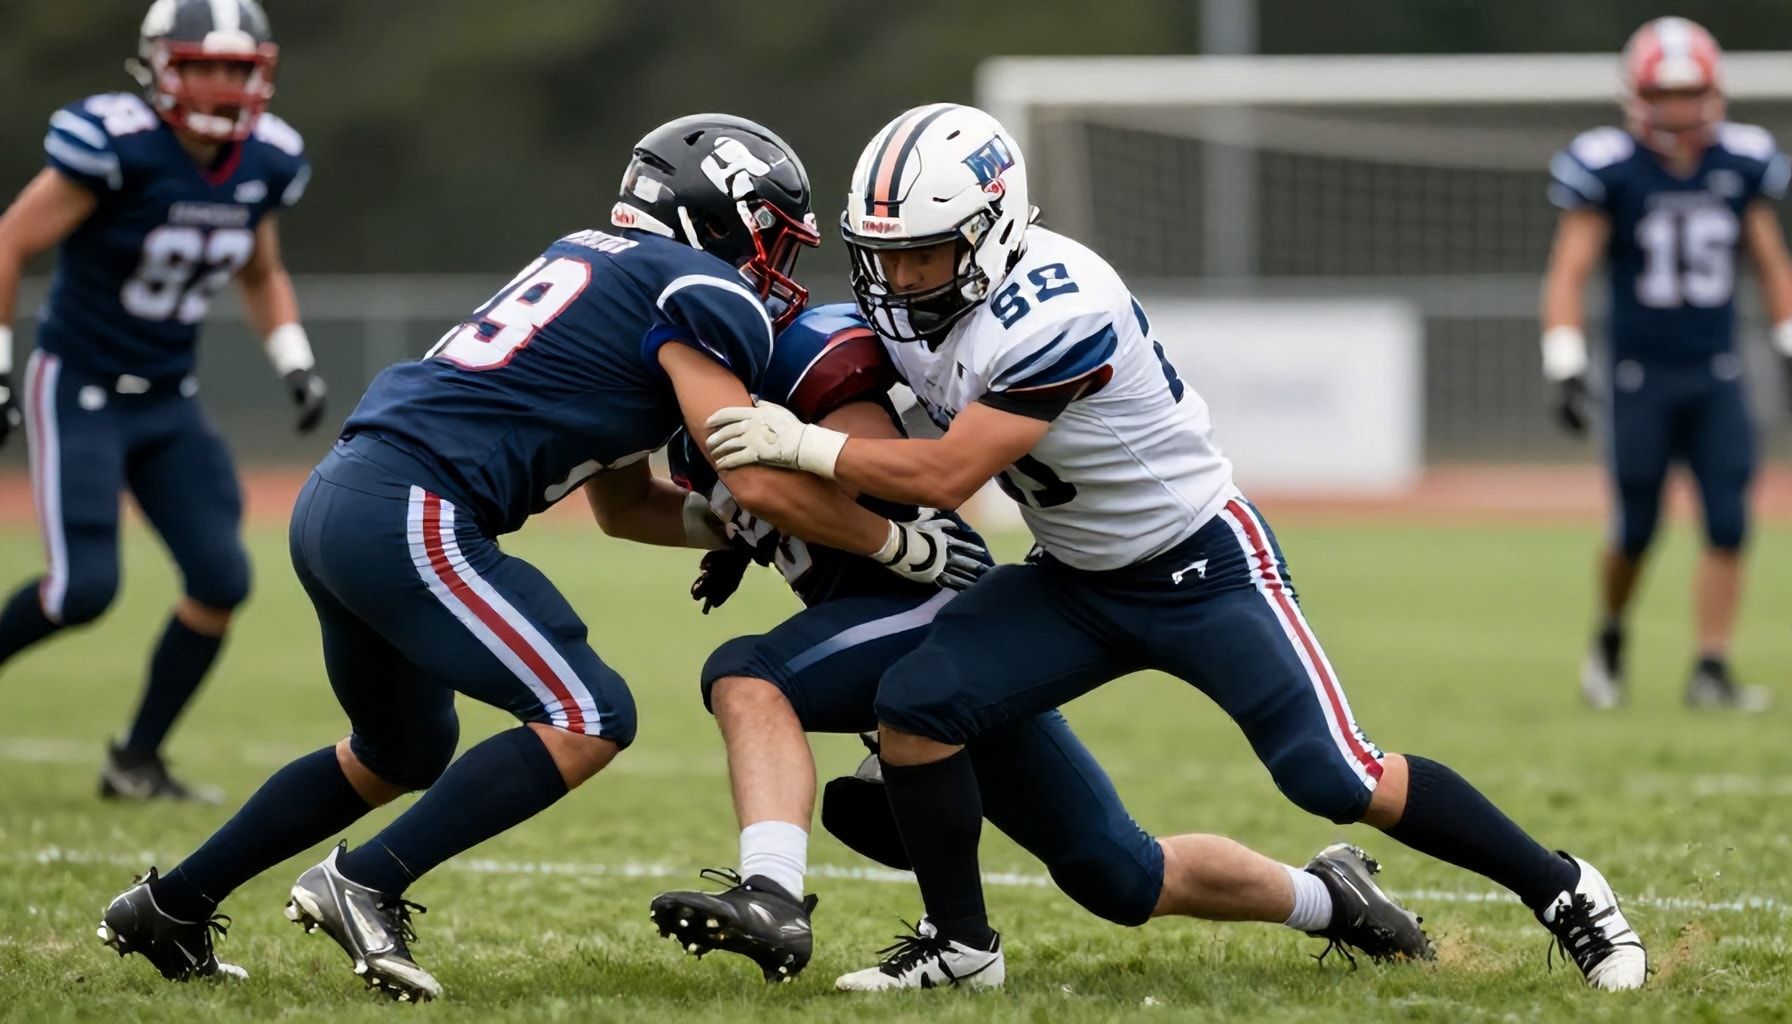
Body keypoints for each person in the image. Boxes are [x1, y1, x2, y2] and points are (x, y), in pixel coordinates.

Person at [706, 102, 1648, 992]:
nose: (900, 281)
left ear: (989, 232)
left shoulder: (1057, 306)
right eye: (886, 257)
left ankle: (1566, 889)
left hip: (1199, 566)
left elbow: (950, 474)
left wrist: (802, 445)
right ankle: (960, 947)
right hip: (1074, 578)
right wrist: (761, 513)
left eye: (923, 257)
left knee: (1333, 773)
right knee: (914, 705)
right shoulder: (922, 305)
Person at [96, 113, 980, 1002]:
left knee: (402, 748)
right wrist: (897, 543)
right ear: (725, 218)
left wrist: (724, 529)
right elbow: (750, 479)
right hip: (413, 506)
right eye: (771, 239)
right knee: (587, 712)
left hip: (343, 499)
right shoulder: (699, 287)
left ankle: (170, 905)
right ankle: (364, 880)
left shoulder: (604, 264)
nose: (774, 268)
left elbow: (624, 506)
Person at [637, 303, 1429, 984]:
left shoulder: (810, 349)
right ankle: (1331, 898)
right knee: (1118, 876)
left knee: (748, 674)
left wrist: (803, 503)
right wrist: (745, 534)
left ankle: (775, 896)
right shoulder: (684, 408)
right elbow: (653, 508)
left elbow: (882, 482)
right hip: (890, 635)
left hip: (935, 605)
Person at [0, 0, 326, 802]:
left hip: (169, 398)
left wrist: (295, 361)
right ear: (160, 66)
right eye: (204, 65)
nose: (221, 85)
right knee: (82, 591)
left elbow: (260, 269)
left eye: (237, 69)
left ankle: (135, 760)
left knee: (221, 578)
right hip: (79, 384)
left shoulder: (269, 159)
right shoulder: (114, 144)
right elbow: (11, 238)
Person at [1542, 16, 1792, 711]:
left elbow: (1771, 262)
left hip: (1716, 370)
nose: (1679, 110)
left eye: (1690, 93)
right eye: (1667, 93)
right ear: (1640, 95)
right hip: (1637, 376)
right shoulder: (1609, 166)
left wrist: (1787, 337)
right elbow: (1570, 270)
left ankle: (1711, 668)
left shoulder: (1742, 161)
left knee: (1729, 520)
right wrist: (1564, 360)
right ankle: (1613, 630)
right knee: (1636, 527)